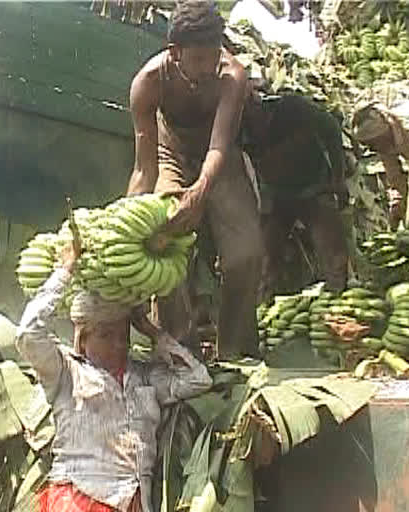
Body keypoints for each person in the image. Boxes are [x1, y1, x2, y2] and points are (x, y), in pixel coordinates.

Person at [16, 237, 212, 512]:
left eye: (123, 335)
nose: (119, 344)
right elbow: (27, 334)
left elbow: (198, 379)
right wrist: (65, 272)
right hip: (80, 497)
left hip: (135, 501)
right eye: (106, 335)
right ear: (83, 339)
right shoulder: (66, 372)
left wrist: (152, 331)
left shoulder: (144, 376)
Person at [127, 0, 263, 358]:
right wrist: (130, 222)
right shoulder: (148, 83)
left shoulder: (232, 76)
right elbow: (145, 168)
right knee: (164, 244)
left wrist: (200, 192)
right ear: (175, 52)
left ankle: (236, 351)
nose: (209, 66)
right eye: (199, 58)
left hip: (220, 157)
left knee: (245, 252)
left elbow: (220, 145)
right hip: (170, 152)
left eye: (214, 54)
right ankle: (178, 346)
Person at [243, 93, 350, 298]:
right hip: (277, 196)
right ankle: (262, 309)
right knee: (264, 257)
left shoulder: (291, 108)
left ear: (259, 104)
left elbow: (331, 129)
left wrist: (338, 178)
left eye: (251, 107)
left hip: (315, 186)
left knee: (332, 253)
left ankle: (340, 302)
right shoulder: (240, 129)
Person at [352, 100, 409, 226]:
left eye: (373, 143)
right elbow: (395, 178)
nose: (371, 148)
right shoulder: (384, 146)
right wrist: (398, 205)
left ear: (384, 134)